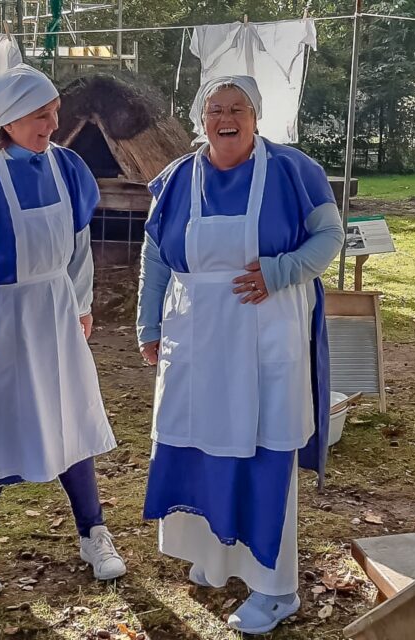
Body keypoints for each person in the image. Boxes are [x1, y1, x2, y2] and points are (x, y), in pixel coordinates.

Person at [136, 75, 344, 634]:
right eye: (215, 109)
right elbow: (155, 257)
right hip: (195, 337)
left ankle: (275, 589)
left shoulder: (295, 171)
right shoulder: (178, 177)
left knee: (261, 450)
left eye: (238, 108)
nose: (226, 118)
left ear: (256, 117)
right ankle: (217, 556)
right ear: (202, 119)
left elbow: (330, 238)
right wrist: (147, 322)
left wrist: (282, 271)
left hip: (265, 335)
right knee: (200, 441)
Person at [0, 64, 125, 593]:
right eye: (39, 116)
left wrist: (81, 301)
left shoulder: (66, 167)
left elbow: (77, 246)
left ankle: (93, 532)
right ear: (5, 120)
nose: (51, 124)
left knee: (70, 419)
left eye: (53, 114)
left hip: (54, 308)